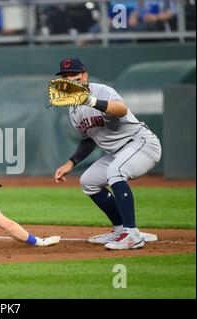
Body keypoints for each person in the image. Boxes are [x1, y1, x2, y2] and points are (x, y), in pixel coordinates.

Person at [52, 58, 161, 250]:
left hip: (141, 144)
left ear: (84, 75)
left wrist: (90, 100)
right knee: (89, 182)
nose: (70, 80)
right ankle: (120, 229)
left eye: (74, 75)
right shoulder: (73, 109)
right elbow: (88, 139)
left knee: (115, 170)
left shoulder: (102, 91)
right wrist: (70, 163)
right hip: (116, 153)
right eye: (66, 77)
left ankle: (132, 234)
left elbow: (121, 110)